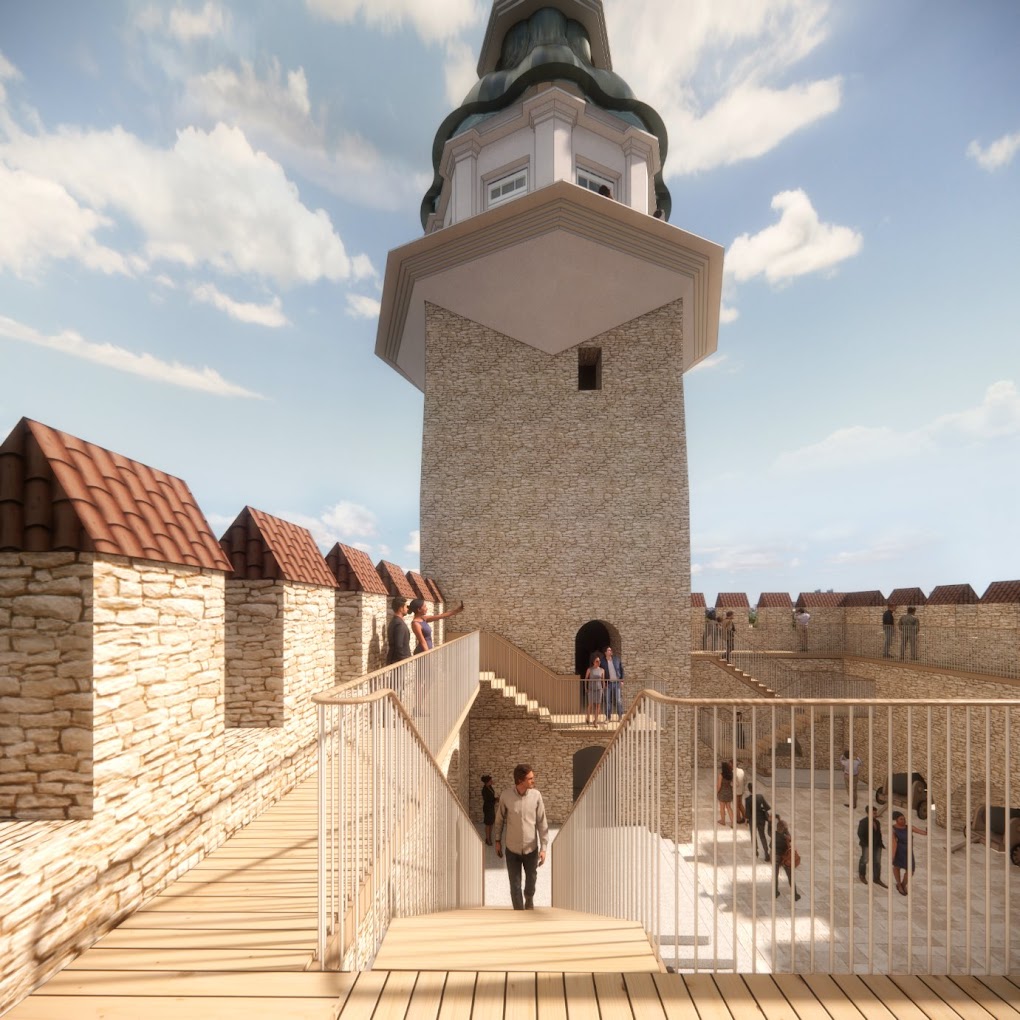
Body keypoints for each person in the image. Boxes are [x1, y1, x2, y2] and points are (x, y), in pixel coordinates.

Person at [494, 763, 549, 910]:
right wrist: (497, 840)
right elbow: (499, 820)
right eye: (530, 778)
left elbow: (542, 822)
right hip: (512, 849)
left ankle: (529, 898)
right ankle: (519, 913)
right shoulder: (506, 796)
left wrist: (543, 848)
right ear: (520, 780)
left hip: (531, 849)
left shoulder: (536, 796)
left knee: (531, 881)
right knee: (515, 884)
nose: (533, 780)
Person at [891, 809, 926, 896]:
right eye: (901, 819)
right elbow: (894, 843)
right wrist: (893, 855)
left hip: (909, 852)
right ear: (896, 820)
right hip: (899, 851)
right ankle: (899, 884)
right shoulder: (893, 829)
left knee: (911, 871)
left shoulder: (909, 827)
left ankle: (903, 884)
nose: (903, 820)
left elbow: (921, 832)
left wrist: (926, 831)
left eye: (904, 819)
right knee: (897, 867)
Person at [857, 806, 887, 887]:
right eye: (874, 813)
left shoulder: (877, 822)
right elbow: (860, 834)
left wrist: (880, 843)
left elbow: (879, 833)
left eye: (875, 813)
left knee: (877, 862)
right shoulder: (863, 822)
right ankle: (862, 875)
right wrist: (867, 844)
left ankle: (876, 878)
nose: (875, 814)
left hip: (877, 845)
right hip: (867, 844)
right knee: (865, 859)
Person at [773, 815, 801, 900]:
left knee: (775, 875)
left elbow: (771, 844)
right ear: (784, 829)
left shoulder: (774, 834)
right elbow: (790, 839)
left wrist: (778, 820)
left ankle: (775, 893)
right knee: (790, 876)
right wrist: (786, 829)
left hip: (776, 857)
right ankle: (795, 895)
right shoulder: (786, 838)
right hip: (785, 858)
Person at [745, 782, 771, 861]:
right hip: (761, 819)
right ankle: (766, 852)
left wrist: (746, 820)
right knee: (762, 835)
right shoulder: (760, 797)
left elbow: (748, 812)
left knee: (753, 836)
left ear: (749, 790)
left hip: (753, 820)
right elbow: (767, 807)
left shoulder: (748, 800)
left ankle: (755, 851)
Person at [385, 597, 411, 664]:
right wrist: (404, 659)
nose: (407, 609)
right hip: (398, 661)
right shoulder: (399, 624)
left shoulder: (395, 621)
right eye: (406, 607)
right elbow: (399, 645)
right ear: (401, 609)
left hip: (395, 659)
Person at [602, 645, 624, 721]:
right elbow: (601, 673)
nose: (610, 651)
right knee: (607, 701)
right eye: (608, 650)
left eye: (610, 650)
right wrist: (603, 682)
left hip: (617, 683)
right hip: (608, 683)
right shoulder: (602, 662)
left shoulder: (616, 659)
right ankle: (608, 718)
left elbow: (621, 670)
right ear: (605, 652)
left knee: (618, 700)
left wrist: (621, 680)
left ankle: (620, 716)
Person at [584, 654, 605, 726]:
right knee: (590, 704)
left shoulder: (602, 670)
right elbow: (586, 678)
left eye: (599, 661)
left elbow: (603, 680)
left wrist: (603, 688)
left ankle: (595, 721)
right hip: (591, 689)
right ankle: (587, 717)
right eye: (597, 661)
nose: (598, 662)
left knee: (598, 705)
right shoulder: (589, 669)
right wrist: (585, 687)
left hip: (599, 689)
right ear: (593, 662)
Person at [717, 760, 734, 827]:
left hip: (722, 792)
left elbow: (719, 785)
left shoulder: (721, 775)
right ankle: (732, 822)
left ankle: (723, 821)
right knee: (729, 807)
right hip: (729, 792)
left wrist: (716, 792)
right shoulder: (731, 774)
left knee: (722, 807)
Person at [481, 774, 497, 846]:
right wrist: (495, 800)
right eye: (490, 780)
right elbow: (487, 800)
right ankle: (487, 839)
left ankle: (489, 837)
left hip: (491, 807)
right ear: (487, 782)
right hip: (487, 808)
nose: (492, 781)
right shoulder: (484, 790)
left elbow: (492, 797)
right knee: (488, 824)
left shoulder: (490, 787)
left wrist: (495, 799)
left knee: (491, 823)